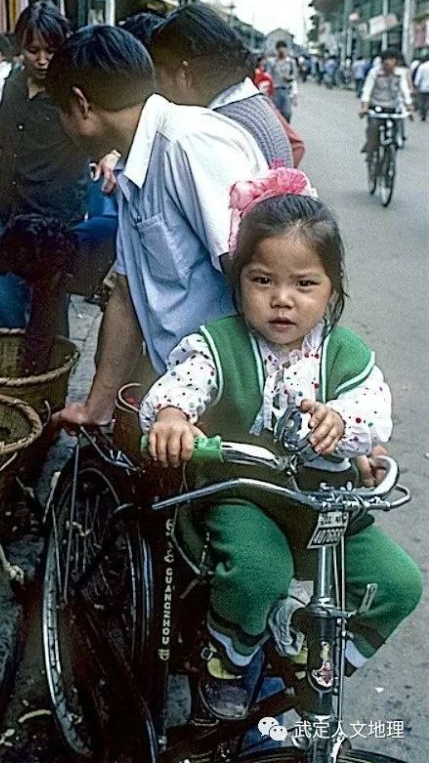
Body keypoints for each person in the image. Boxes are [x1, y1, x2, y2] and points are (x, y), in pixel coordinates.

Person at [139, 171, 422, 719]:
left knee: (399, 584)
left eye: (305, 285)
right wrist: (173, 416)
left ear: (332, 289)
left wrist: (342, 424)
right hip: (246, 497)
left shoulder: (345, 354)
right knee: (258, 573)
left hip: (324, 506)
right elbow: (183, 384)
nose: (282, 301)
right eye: (263, 281)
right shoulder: (218, 345)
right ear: (238, 281)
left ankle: (320, 660)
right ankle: (226, 657)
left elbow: (373, 412)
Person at [48, 24, 268, 428]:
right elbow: (129, 296)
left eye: (60, 112)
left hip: (234, 403)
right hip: (182, 397)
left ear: (81, 105)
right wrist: (96, 407)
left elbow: (269, 275)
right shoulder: (136, 165)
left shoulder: (187, 145)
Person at [0, 1, 89, 333]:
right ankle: (7, 381)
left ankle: (48, 383)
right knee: (5, 309)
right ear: (20, 48)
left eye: (50, 51)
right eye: (33, 50)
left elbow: (99, 136)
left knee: (49, 315)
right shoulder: (13, 83)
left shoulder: (73, 93)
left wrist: (109, 158)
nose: (41, 60)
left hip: (54, 221)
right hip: (10, 212)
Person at [150, 4, 297, 168]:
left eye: (158, 76)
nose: (157, 88)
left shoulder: (212, 132)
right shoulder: (246, 102)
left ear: (185, 75)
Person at [359, 48, 413, 153]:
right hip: (376, 106)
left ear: (396, 62)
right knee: (373, 128)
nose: (388, 62)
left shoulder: (400, 74)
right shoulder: (374, 73)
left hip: (393, 106)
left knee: (396, 131)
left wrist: (409, 107)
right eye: (386, 59)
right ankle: (371, 150)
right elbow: (367, 91)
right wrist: (364, 107)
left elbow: (405, 91)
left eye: (392, 59)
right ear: (382, 61)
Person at [268, 40, 298, 121]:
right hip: (275, 90)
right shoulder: (272, 63)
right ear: (277, 50)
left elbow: (294, 76)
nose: (282, 52)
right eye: (279, 50)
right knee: (275, 114)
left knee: (287, 113)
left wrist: (289, 78)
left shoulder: (291, 62)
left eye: (283, 50)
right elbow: (268, 76)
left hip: (286, 90)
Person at [412, 50, 429, 121]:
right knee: (427, 101)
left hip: (423, 87)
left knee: (422, 101)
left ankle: (423, 114)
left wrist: (416, 84)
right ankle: (425, 112)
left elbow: (418, 76)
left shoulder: (422, 66)